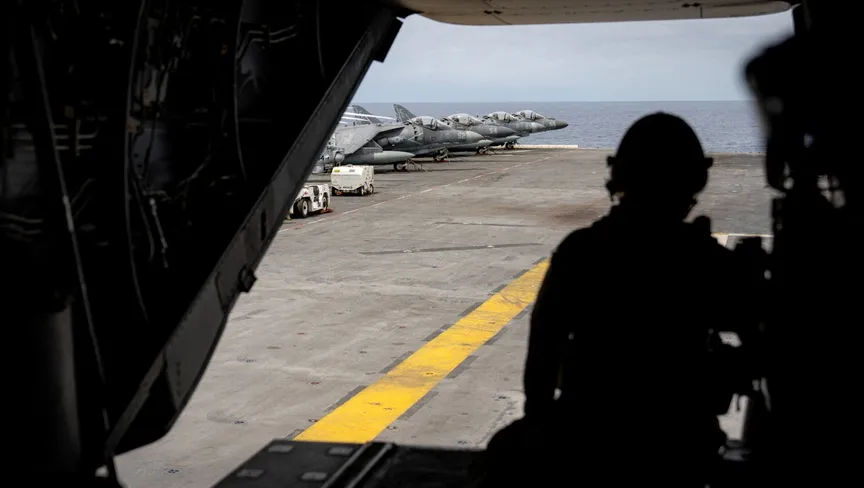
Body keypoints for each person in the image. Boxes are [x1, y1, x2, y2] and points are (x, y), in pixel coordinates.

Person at [476, 112, 753, 486]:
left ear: (618, 177)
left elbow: (543, 346)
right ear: (694, 182)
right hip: (679, 444)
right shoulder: (706, 260)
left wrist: (539, 424)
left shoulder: (580, 251)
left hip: (585, 435)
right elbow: (759, 342)